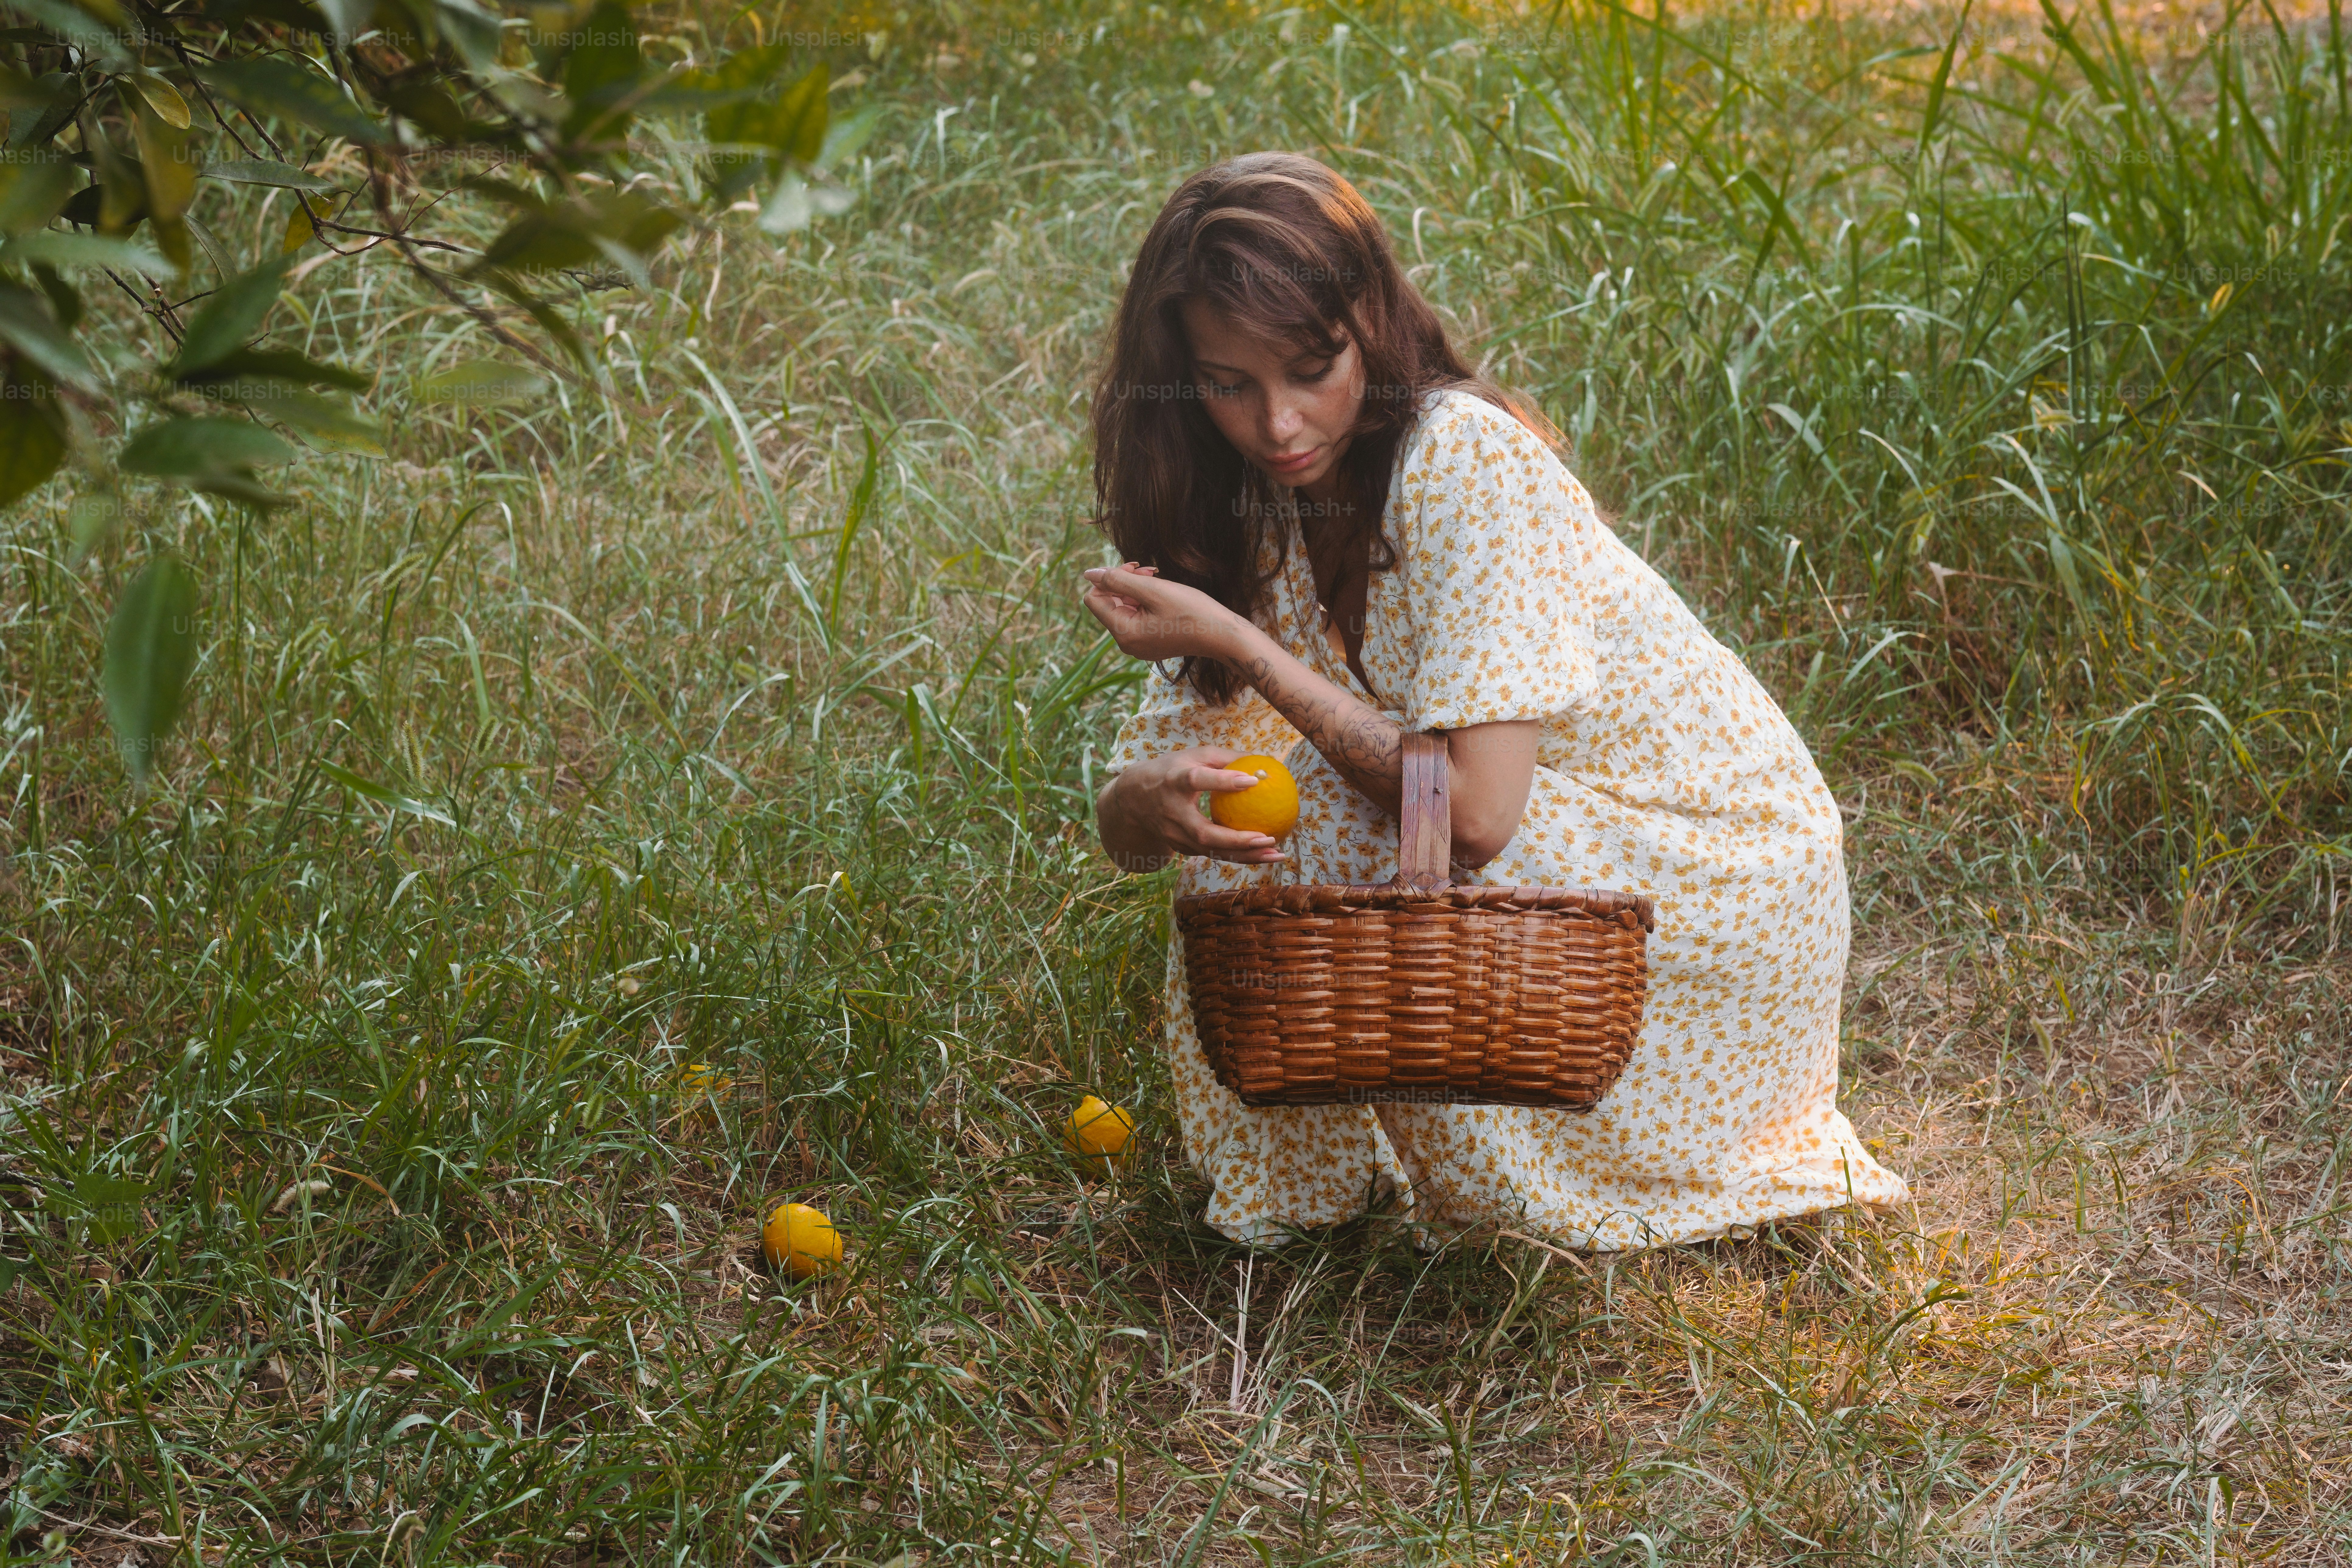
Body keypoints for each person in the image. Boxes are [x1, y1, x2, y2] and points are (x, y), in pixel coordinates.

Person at [1080, 152, 1907, 1251]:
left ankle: (1522, 1180)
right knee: (1248, 810)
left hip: (1709, 891)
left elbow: (1467, 818)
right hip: (1561, 885)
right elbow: (1151, 811)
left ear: (1371, 325)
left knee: (1329, 799)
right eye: (1230, 384)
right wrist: (1139, 806)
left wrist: (1251, 651)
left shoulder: (1458, 457)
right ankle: (1317, 1204)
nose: (1279, 423)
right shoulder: (1259, 505)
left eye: (1312, 366)